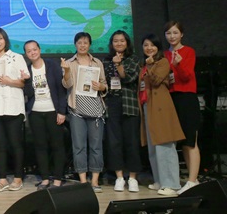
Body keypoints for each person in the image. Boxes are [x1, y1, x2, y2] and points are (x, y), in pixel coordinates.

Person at [139, 34, 185, 196]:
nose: (149, 48)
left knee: (164, 145)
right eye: (146, 45)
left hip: (160, 107)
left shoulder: (162, 62)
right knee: (153, 147)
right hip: (148, 106)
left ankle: (172, 184)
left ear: (158, 47)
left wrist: (150, 65)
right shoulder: (144, 64)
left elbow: (157, 80)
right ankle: (160, 180)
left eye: (152, 45)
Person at [0, 27, 28, 192]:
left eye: (0, 38)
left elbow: (23, 82)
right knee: (0, 144)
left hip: (13, 107)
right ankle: (2, 179)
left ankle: (18, 178)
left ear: (5, 40)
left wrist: (10, 81)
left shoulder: (17, 57)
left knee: (15, 144)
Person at [61, 31, 107, 193]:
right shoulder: (69, 63)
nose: (82, 45)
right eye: (79, 42)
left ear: (89, 45)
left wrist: (101, 87)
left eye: (85, 43)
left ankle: (94, 181)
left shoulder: (97, 62)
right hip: (77, 110)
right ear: (75, 44)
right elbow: (67, 85)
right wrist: (66, 71)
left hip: (96, 110)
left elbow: (104, 85)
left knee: (96, 146)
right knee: (79, 146)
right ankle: (82, 181)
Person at [23, 40, 67, 190]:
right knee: (40, 146)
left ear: (40, 50)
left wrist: (61, 111)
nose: (32, 53)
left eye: (34, 49)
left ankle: (58, 179)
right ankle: (45, 179)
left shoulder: (52, 65)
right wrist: (26, 80)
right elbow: (28, 93)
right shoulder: (27, 69)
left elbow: (61, 90)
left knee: (57, 146)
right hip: (35, 112)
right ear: (26, 54)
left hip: (53, 111)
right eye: (29, 51)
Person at [164, 21, 201, 194]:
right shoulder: (165, 54)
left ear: (182, 34)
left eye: (175, 33)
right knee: (181, 141)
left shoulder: (188, 51)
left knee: (190, 141)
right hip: (171, 99)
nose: (172, 36)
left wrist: (178, 64)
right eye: (168, 33)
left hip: (186, 97)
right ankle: (191, 179)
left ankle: (192, 180)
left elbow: (186, 77)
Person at [102, 30, 141, 193]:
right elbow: (104, 81)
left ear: (127, 43)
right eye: (116, 41)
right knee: (114, 142)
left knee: (132, 141)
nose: (119, 43)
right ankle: (119, 177)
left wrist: (118, 65)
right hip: (112, 102)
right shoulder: (106, 61)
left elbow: (128, 78)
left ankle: (132, 178)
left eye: (122, 41)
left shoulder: (133, 59)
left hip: (129, 103)